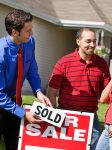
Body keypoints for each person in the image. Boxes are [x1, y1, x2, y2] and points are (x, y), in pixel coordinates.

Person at [47, 27, 111, 149]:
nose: (92, 45)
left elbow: (107, 92)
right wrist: (52, 116)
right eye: (88, 41)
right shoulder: (64, 62)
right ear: (78, 41)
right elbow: (52, 91)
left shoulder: (101, 64)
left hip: (91, 118)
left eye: (94, 41)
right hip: (66, 115)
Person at [0, 9, 52, 150]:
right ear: (15, 32)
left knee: (15, 145)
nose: (32, 34)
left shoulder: (30, 42)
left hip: (15, 102)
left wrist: (38, 91)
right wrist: (23, 113)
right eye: (28, 31)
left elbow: (31, 69)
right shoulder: (1, 53)